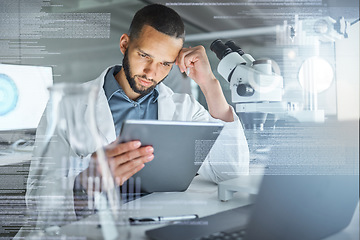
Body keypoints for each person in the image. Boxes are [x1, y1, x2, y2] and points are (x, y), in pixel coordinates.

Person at [20, 3, 249, 235]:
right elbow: (37, 203)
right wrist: (83, 184)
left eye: (165, 63)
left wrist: (209, 83)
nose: (152, 72)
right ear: (124, 44)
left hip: (155, 229)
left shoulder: (184, 109)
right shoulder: (67, 106)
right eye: (144, 55)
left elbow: (230, 173)